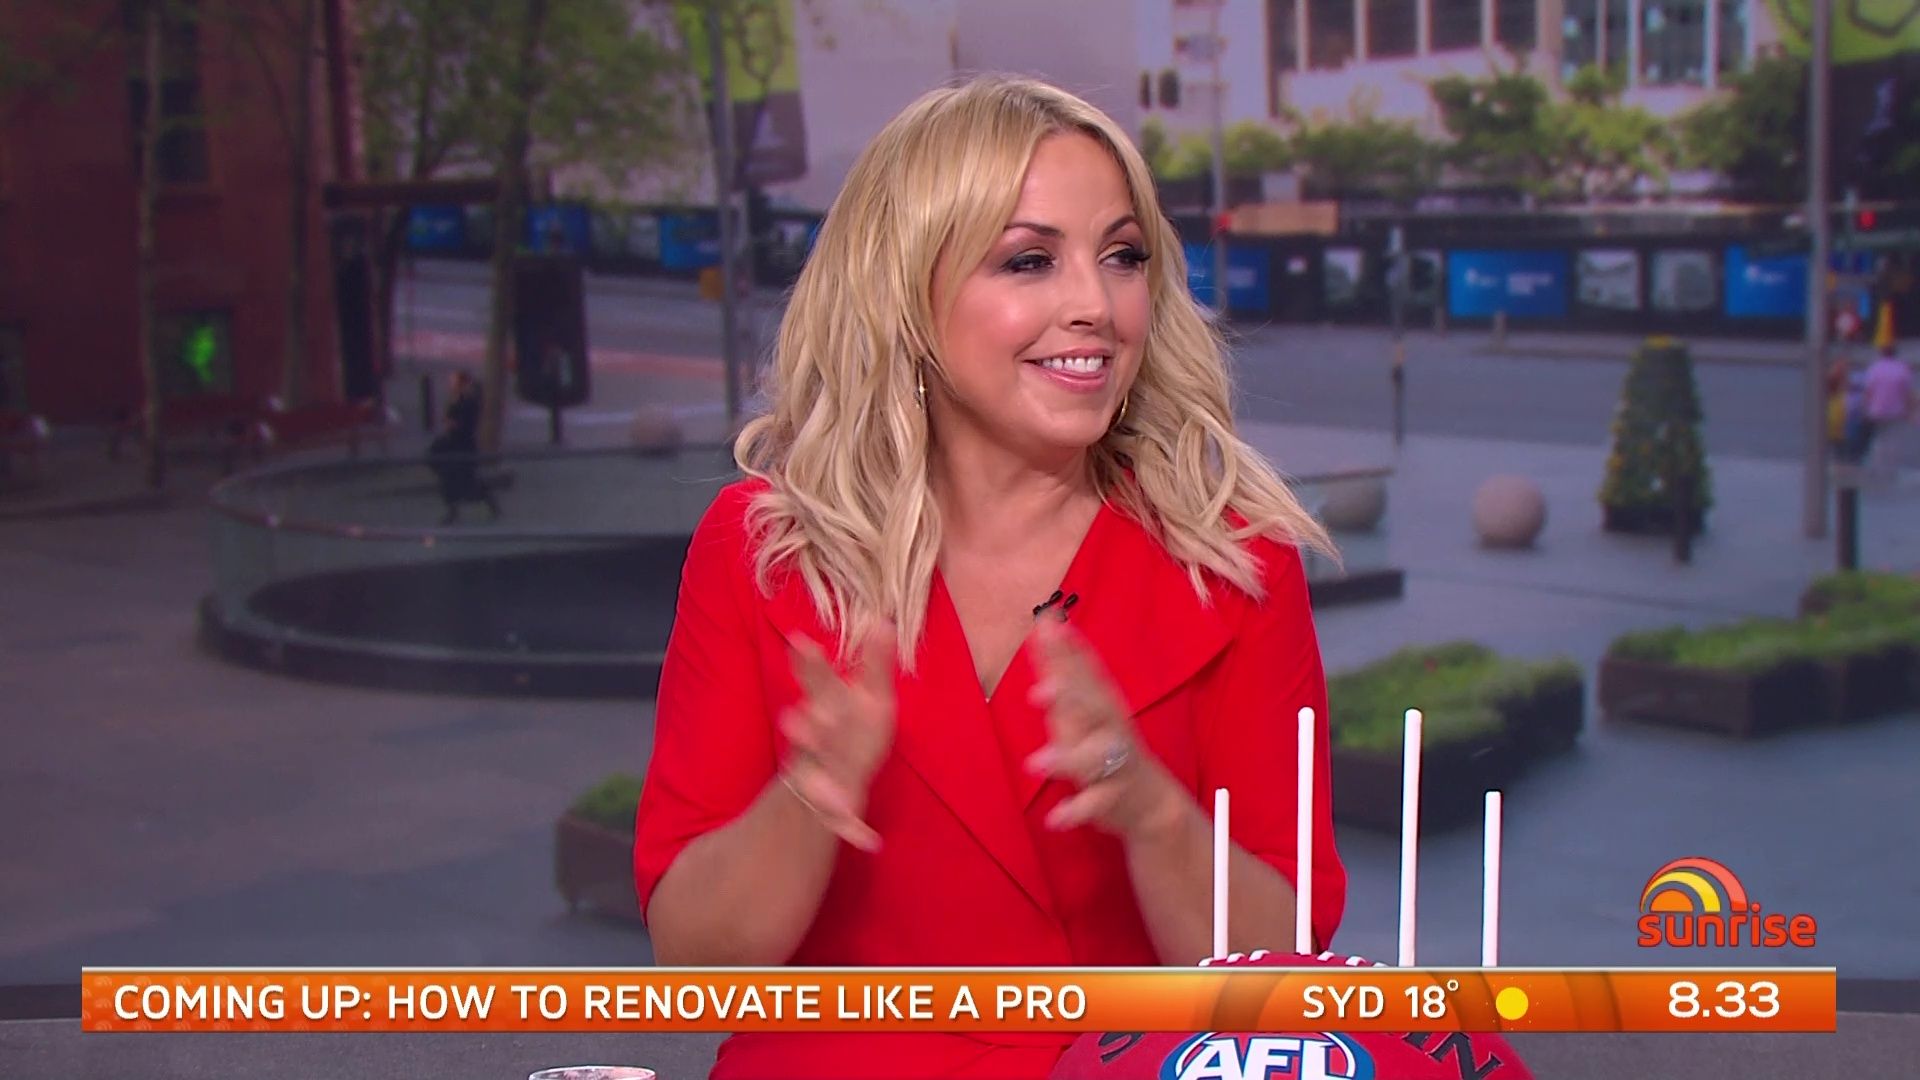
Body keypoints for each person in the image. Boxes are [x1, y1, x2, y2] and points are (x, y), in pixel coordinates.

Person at [634, 75, 1347, 1080]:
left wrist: (1150, 812)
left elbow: (1289, 979)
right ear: (906, 293)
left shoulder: (1234, 559)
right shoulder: (763, 552)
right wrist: (810, 796)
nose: (1095, 306)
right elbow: (693, 965)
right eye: (1029, 260)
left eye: (1123, 256)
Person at [427, 370, 498, 524]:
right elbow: (448, 419)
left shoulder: (469, 401)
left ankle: (485, 501)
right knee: (452, 478)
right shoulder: (457, 399)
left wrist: (452, 423)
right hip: (454, 444)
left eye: (453, 382)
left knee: (465, 480)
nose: (450, 385)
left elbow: (463, 424)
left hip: (463, 446)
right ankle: (454, 510)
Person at [1861, 344, 1914, 467]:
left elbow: (1868, 391)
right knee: (1894, 440)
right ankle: (1891, 466)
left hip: (1877, 410)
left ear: (1881, 354)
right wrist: (1909, 411)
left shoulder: (1874, 368)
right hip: (1896, 411)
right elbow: (1906, 393)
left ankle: (1879, 465)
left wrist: (1865, 409)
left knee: (1879, 439)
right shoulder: (1902, 368)